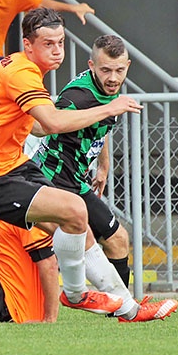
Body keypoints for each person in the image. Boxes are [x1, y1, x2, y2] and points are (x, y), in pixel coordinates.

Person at [0, 6, 174, 322]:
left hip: (31, 170)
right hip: (5, 176)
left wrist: (103, 162)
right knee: (71, 223)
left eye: (60, 42)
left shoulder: (31, 72)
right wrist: (111, 108)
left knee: (92, 232)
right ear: (28, 45)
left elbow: (46, 125)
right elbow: (53, 122)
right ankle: (77, 297)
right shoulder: (42, 81)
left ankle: (125, 309)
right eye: (48, 43)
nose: (57, 50)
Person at [32, 34, 135, 288]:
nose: (113, 78)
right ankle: (82, 294)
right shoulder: (77, 97)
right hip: (50, 179)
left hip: (76, 180)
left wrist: (103, 164)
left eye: (119, 70)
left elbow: (101, 125)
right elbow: (44, 125)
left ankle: (121, 311)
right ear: (92, 67)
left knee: (119, 239)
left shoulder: (111, 93)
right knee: (81, 240)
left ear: (127, 66)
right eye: (106, 70)